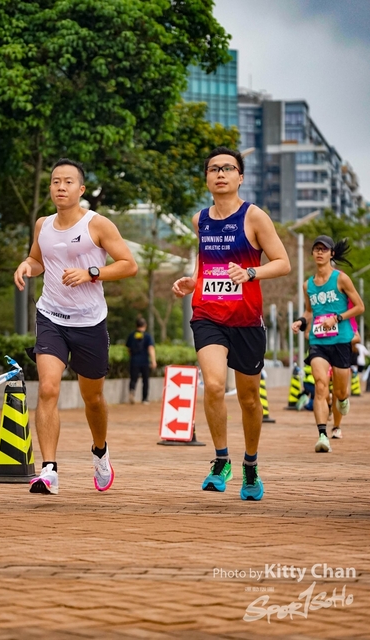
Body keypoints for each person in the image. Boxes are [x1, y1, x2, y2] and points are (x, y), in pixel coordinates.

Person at [172, 146, 291, 501]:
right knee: (212, 384)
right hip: (207, 314)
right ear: (206, 178)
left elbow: (282, 262)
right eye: (214, 169)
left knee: (250, 399)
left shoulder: (254, 217)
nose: (220, 174)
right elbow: (205, 262)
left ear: (241, 177)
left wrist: (251, 272)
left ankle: (250, 464)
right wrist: (193, 280)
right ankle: (221, 460)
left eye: (227, 168)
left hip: (246, 319)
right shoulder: (199, 220)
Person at [14, 158, 138, 495]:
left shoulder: (97, 225)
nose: (61, 187)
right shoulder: (43, 225)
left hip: (89, 321)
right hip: (51, 316)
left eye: (68, 182)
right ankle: (49, 470)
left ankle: (100, 451)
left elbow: (129, 265)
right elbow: (38, 260)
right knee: (48, 388)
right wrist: (26, 265)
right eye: (56, 181)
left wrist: (91, 273)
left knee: (93, 398)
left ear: (81, 189)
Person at [291, 235, 365, 452]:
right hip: (318, 342)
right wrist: (301, 321)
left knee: (341, 393)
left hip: (341, 341)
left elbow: (360, 307)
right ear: (312, 253)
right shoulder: (308, 285)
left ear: (332, 253)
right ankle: (322, 435)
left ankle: (342, 400)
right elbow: (309, 311)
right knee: (320, 385)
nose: (319, 252)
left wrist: (337, 318)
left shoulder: (341, 279)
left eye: (324, 249)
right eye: (316, 249)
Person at [126, 317, 157, 405]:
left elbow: (128, 349)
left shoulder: (131, 335)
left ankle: (132, 390)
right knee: (145, 380)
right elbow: (150, 348)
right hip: (144, 361)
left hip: (134, 361)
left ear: (136, 325)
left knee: (133, 379)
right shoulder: (147, 336)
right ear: (145, 326)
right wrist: (153, 360)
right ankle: (144, 399)